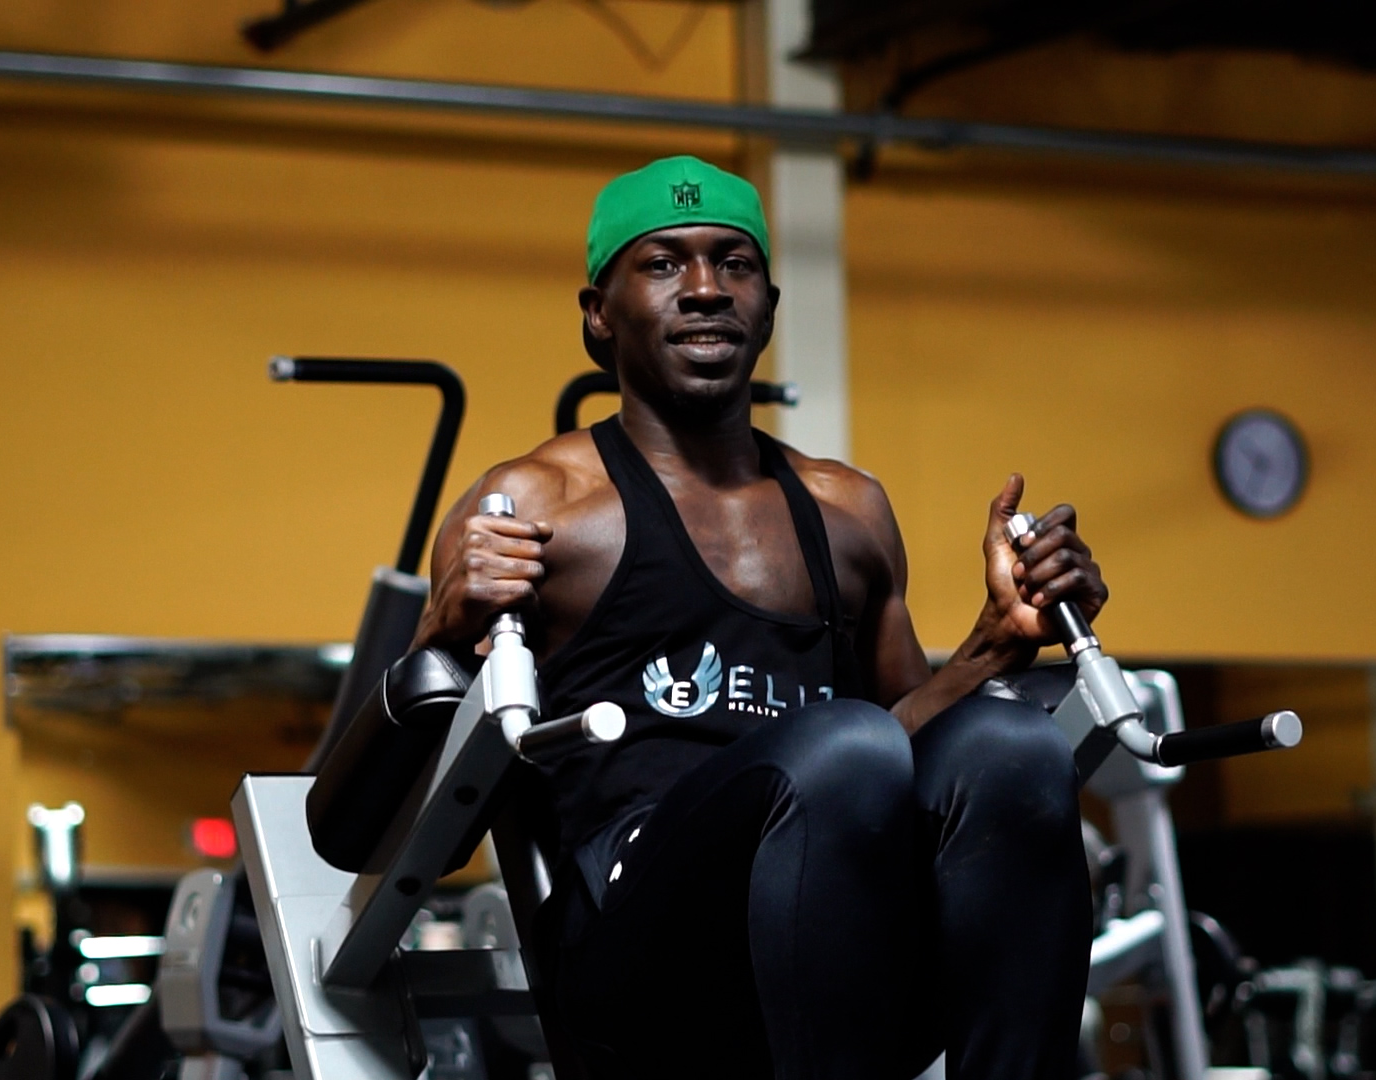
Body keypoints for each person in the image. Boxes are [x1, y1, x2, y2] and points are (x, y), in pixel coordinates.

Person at [413, 155, 1108, 1080]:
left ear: (769, 306)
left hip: (847, 958)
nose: (706, 289)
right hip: (641, 969)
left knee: (1012, 748)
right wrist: (442, 635)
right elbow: (397, 831)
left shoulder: (847, 511)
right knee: (840, 750)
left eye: (734, 265)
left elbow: (908, 762)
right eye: (664, 264)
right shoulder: (534, 503)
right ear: (597, 313)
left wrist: (994, 646)